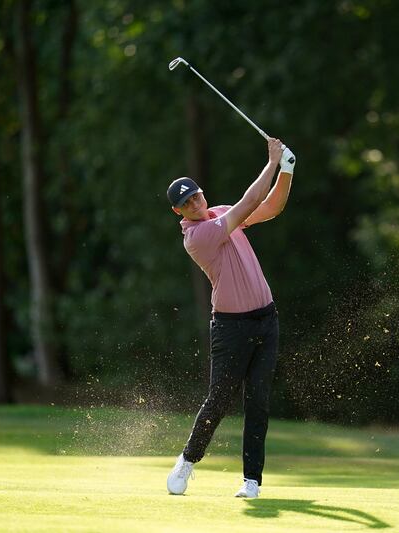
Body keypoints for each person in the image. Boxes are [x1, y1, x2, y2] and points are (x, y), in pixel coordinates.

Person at [165, 137, 295, 499]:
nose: (194, 203)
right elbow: (250, 201)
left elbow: (270, 207)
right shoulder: (198, 236)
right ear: (179, 212)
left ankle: (252, 481)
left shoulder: (219, 212)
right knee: (219, 400)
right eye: (186, 203)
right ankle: (188, 460)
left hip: (266, 321)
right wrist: (271, 162)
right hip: (230, 327)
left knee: (258, 400)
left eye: (196, 195)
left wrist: (287, 169)